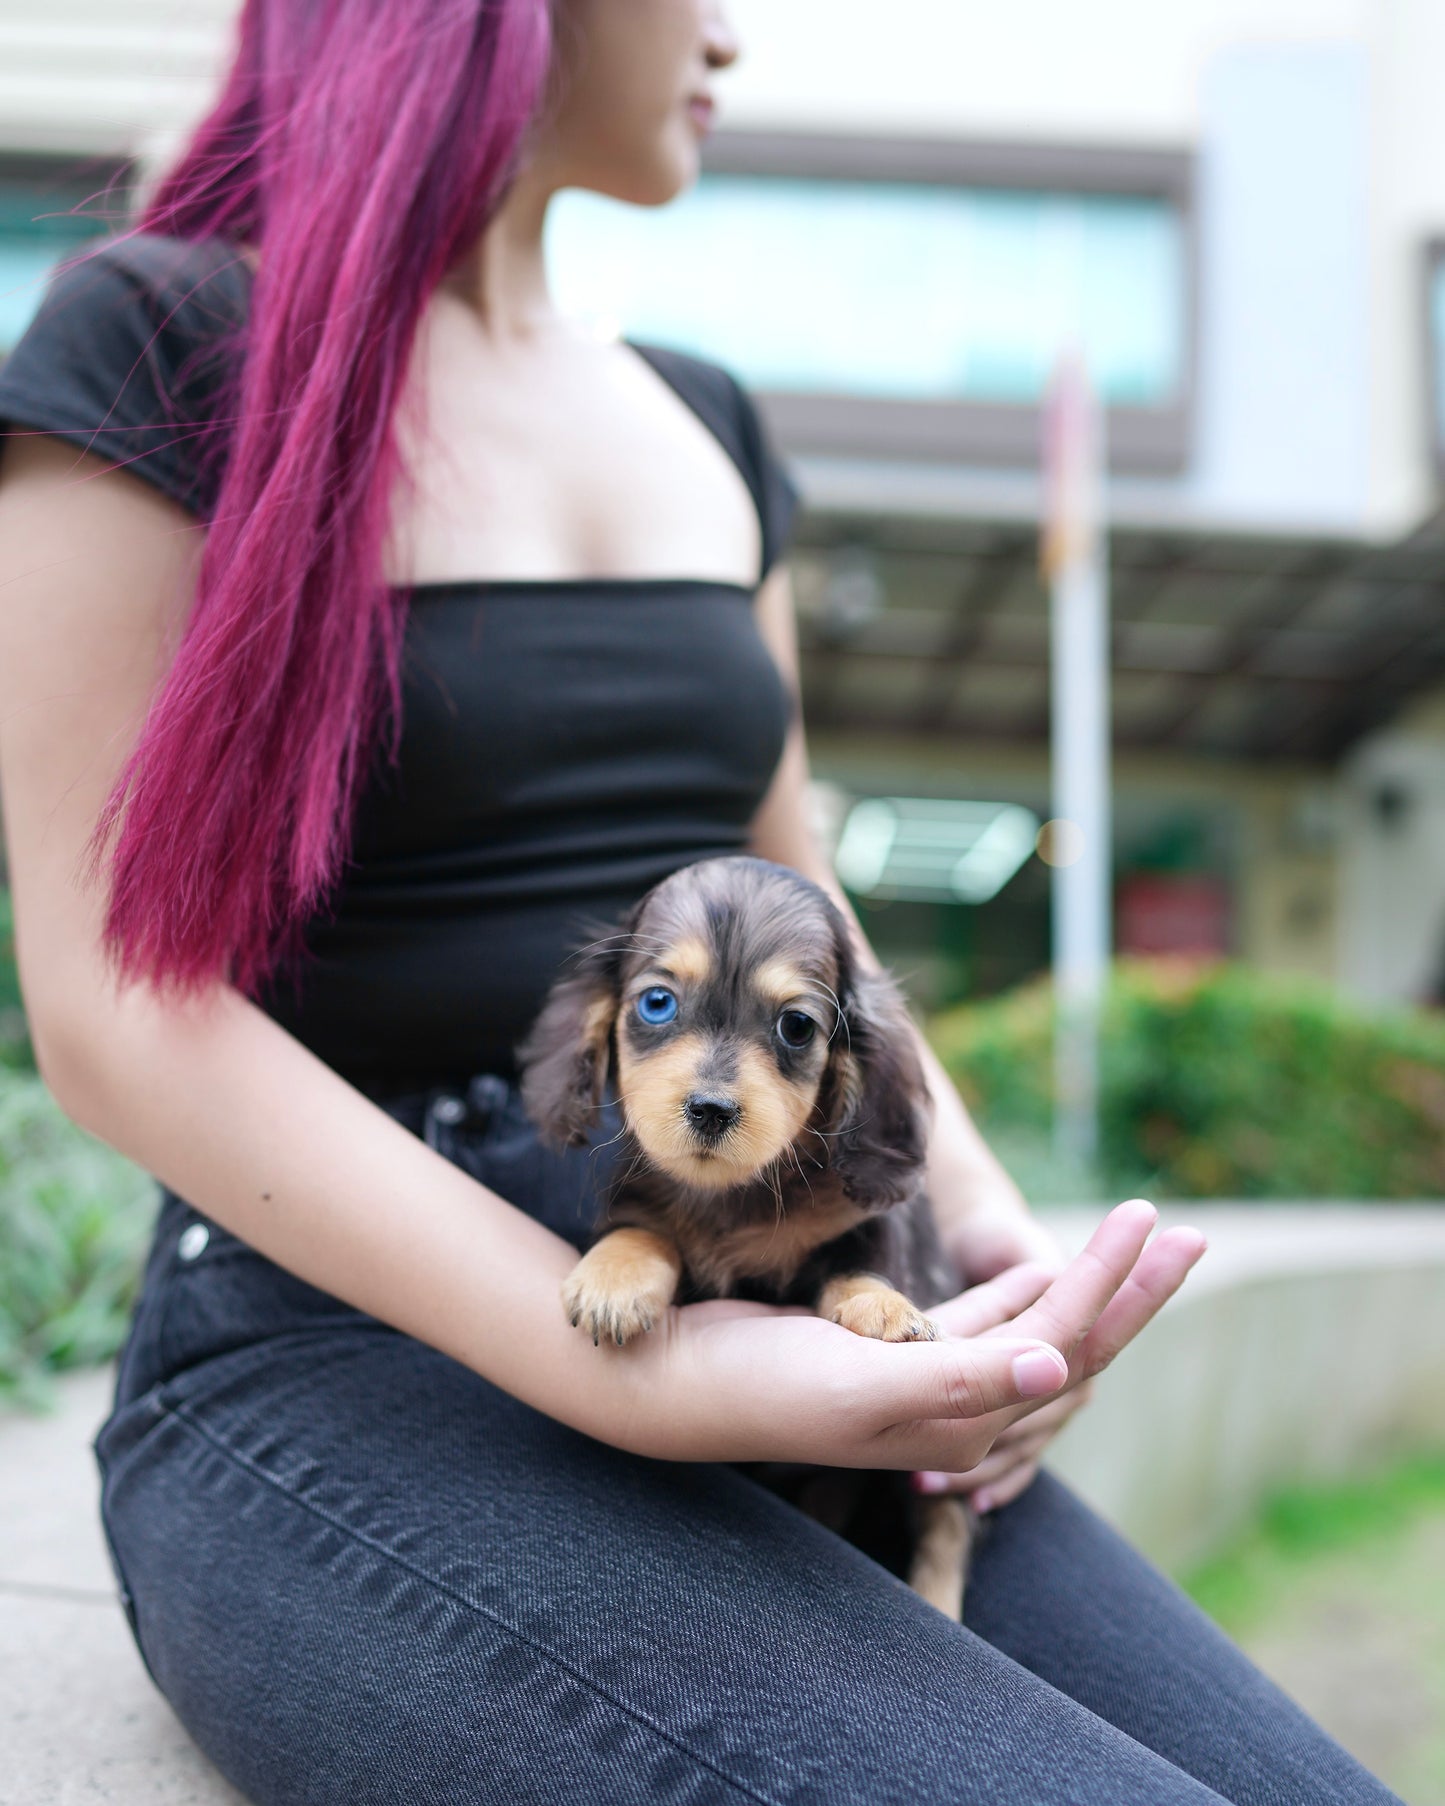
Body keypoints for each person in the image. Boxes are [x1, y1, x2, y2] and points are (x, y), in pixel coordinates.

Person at [0, 4, 1400, 1802]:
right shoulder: (161, 339)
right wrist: (639, 1376)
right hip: (341, 1342)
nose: (731, 30)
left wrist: (972, 1234)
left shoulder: (705, 417)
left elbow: (806, 898)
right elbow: (118, 1005)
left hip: (769, 1265)